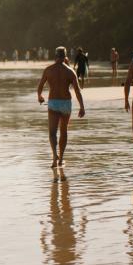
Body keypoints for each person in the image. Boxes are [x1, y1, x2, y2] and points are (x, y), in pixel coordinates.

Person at [37, 47, 85, 178]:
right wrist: (82, 106)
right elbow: (77, 91)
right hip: (65, 104)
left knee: (52, 132)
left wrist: (39, 96)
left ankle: (54, 156)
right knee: (63, 131)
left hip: (53, 103)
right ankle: (61, 158)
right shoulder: (70, 71)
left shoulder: (48, 70)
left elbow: (40, 85)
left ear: (55, 56)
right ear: (65, 57)